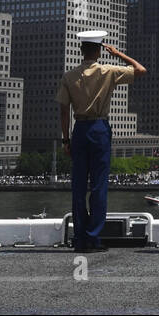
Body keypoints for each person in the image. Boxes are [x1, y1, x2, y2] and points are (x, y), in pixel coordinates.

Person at [56, 31, 146, 252]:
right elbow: (140, 70)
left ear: (81, 51)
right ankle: (93, 238)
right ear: (98, 51)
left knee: (78, 186)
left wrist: (65, 139)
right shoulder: (108, 71)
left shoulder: (69, 76)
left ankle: (79, 239)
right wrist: (118, 54)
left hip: (79, 130)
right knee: (98, 186)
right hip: (99, 129)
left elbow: (63, 111)